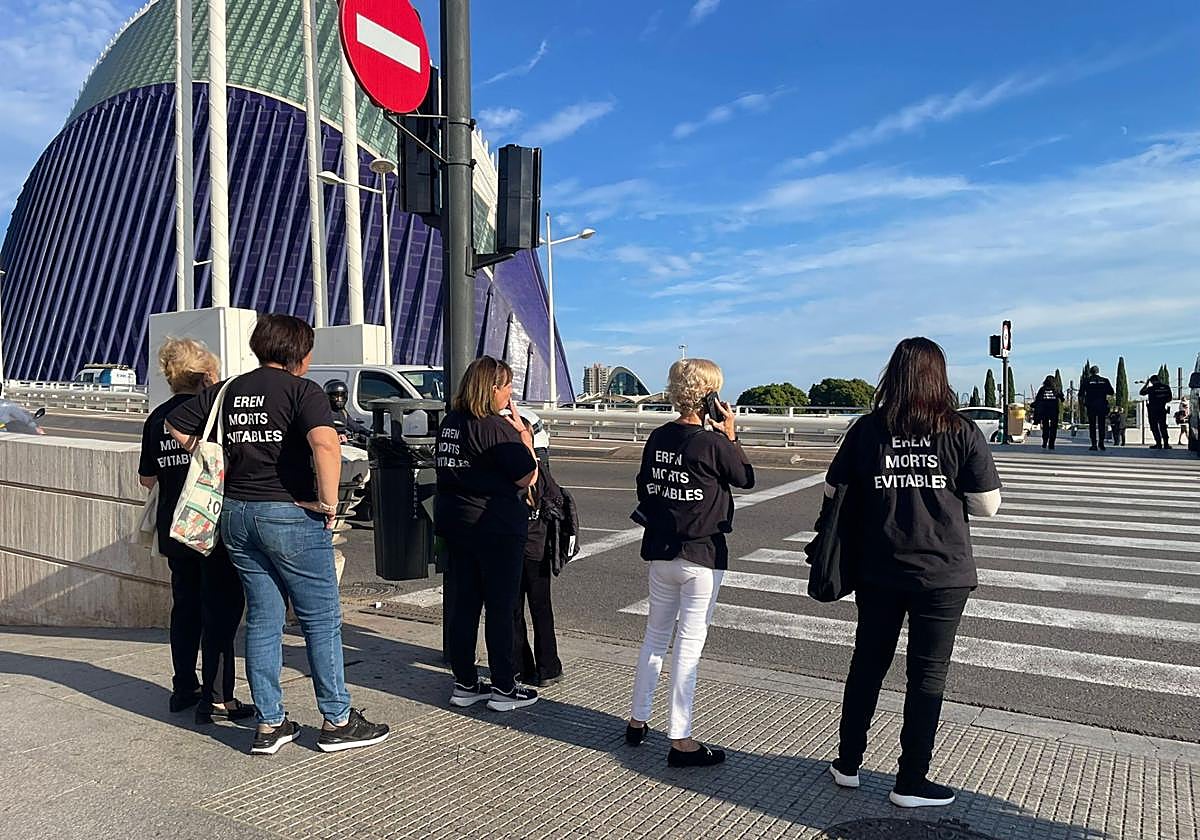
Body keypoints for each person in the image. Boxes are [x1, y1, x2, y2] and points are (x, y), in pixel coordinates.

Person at [167, 314, 389, 755]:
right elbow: (326, 445)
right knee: (320, 619)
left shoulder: (228, 389)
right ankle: (337, 719)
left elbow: (175, 424)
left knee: (264, 619)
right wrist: (328, 504)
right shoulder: (302, 391)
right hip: (287, 513)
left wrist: (213, 454)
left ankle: (270, 724)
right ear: (300, 355)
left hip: (235, 515)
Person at [825, 337, 1001, 808]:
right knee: (927, 676)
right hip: (942, 572)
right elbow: (987, 506)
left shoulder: (867, 430)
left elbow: (832, 487)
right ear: (938, 377)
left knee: (868, 664)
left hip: (879, 567)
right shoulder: (960, 430)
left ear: (893, 374)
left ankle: (848, 762)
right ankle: (910, 781)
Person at [625, 358, 755, 768]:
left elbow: (645, 485)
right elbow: (745, 478)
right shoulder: (713, 444)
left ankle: (637, 719)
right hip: (701, 554)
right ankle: (680, 739)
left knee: (655, 636)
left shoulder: (658, 437)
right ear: (711, 396)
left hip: (661, 552)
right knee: (689, 646)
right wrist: (731, 436)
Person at [139, 338, 253, 724]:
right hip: (211, 527)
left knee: (185, 608)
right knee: (219, 610)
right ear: (206, 376)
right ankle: (219, 697)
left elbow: (146, 478)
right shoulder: (209, 416)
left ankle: (182, 686)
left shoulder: (156, 418)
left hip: (174, 528)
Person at [435, 356, 540, 712]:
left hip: (457, 521)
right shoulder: (495, 427)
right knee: (500, 606)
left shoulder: (452, 421)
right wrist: (524, 437)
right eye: (508, 386)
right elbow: (527, 476)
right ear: (493, 389)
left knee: (464, 605)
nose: (511, 393)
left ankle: (464, 682)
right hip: (494, 525)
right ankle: (504, 688)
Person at [512, 424, 567, 688]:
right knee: (542, 610)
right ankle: (549, 667)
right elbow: (557, 502)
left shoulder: (506, 470)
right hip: (537, 549)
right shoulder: (540, 471)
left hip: (511, 551)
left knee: (513, 612)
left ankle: (521, 667)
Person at [1079, 366, 1114, 451]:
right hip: (1102, 405)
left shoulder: (1086, 381)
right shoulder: (1105, 380)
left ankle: (1094, 444)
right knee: (1102, 425)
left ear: (1091, 372)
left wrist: (1083, 404)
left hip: (1091, 405)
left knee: (1092, 425)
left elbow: (1081, 394)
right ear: (1098, 371)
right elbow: (1111, 392)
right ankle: (1101, 443)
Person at [1139, 376, 1173, 449]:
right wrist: (1162, 401)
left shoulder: (1151, 388)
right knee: (1163, 426)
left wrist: (1146, 384)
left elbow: (1141, 392)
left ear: (1151, 381)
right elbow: (1169, 398)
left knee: (1154, 427)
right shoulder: (1166, 387)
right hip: (1162, 409)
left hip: (1153, 410)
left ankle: (1158, 444)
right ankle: (1166, 444)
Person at [1031, 376, 1064, 450]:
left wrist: (1034, 405)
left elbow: (1038, 400)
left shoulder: (1042, 389)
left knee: (1045, 427)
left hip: (1044, 411)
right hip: (1054, 411)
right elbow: (1062, 399)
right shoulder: (1056, 390)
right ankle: (1051, 444)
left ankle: (1045, 442)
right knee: (1053, 428)